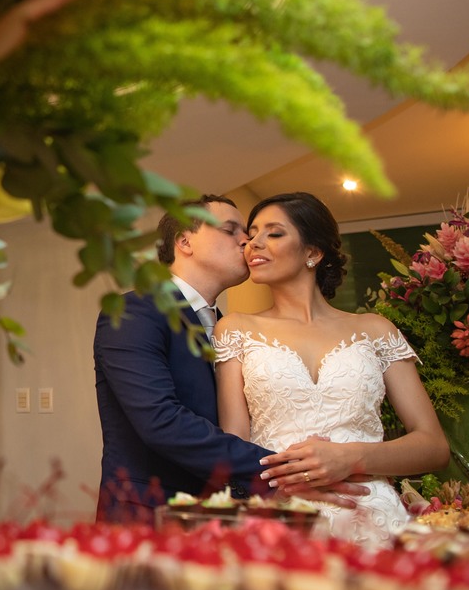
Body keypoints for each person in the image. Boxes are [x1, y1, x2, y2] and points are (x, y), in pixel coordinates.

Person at [94, 194, 364, 521]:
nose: (248, 241)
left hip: (224, 516)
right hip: (150, 514)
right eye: (231, 230)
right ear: (184, 241)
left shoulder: (229, 328)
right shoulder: (134, 312)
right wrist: (287, 470)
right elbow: (161, 421)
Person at [214, 192, 451, 546]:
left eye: (274, 233)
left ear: (313, 252)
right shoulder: (235, 329)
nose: (253, 243)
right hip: (281, 519)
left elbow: (433, 446)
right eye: (252, 233)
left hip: (372, 518)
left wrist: (351, 457)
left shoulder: (375, 330)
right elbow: (234, 445)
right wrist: (268, 495)